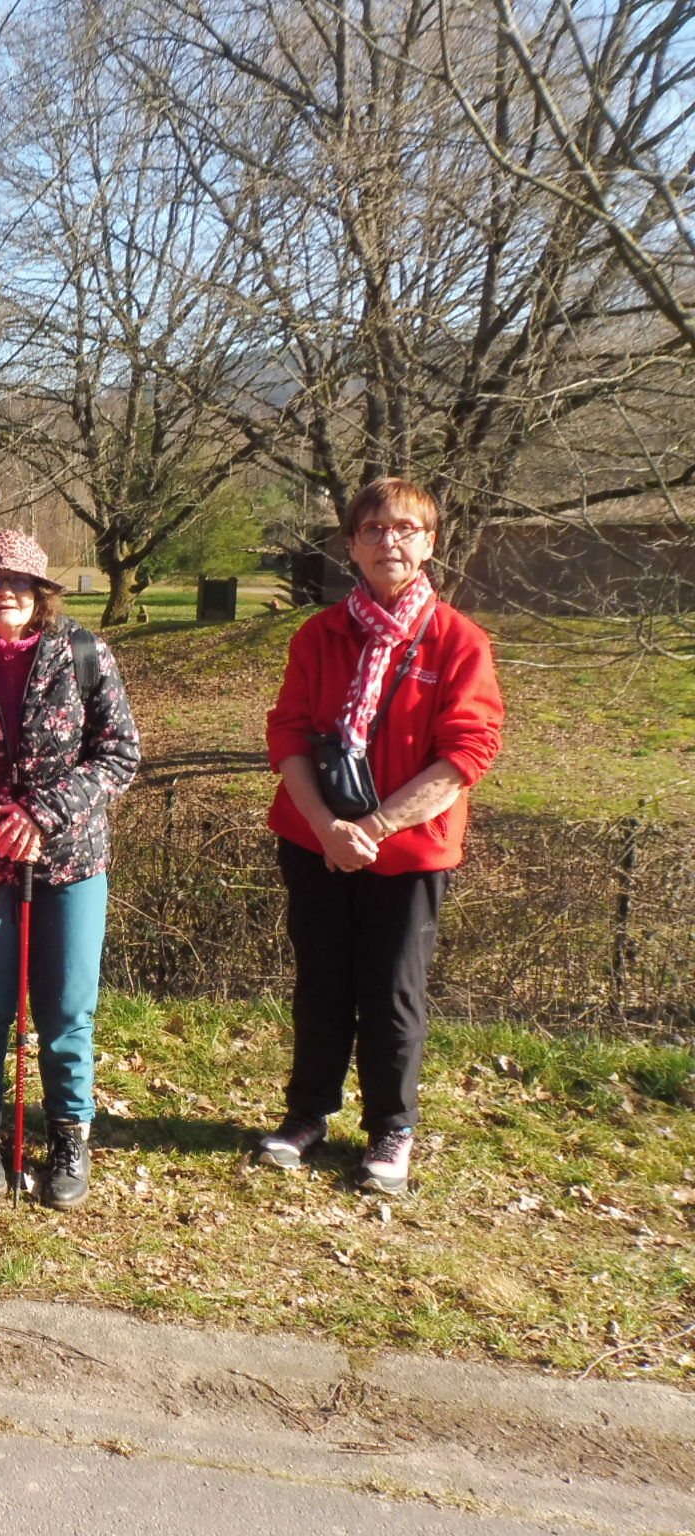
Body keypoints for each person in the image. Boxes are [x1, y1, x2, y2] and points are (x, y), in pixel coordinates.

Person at [259, 478, 504, 1194]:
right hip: (315, 841)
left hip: (407, 849)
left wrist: (374, 826)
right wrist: (325, 826)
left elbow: (468, 752)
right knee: (322, 982)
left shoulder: (458, 640)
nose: (387, 541)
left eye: (404, 529)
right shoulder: (320, 634)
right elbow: (289, 732)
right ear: (352, 545)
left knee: (394, 991)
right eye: (372, 530)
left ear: (429, 542)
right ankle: (307, 1114)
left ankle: (391, 1129)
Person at [0, 530, 140, 1209]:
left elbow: (118, 755)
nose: (5, 594)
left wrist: (43, 814)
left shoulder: (84, 653)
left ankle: (68, 1135)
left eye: (18, 584)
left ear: (42, 593)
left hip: (72, 862)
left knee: (64, 1011)